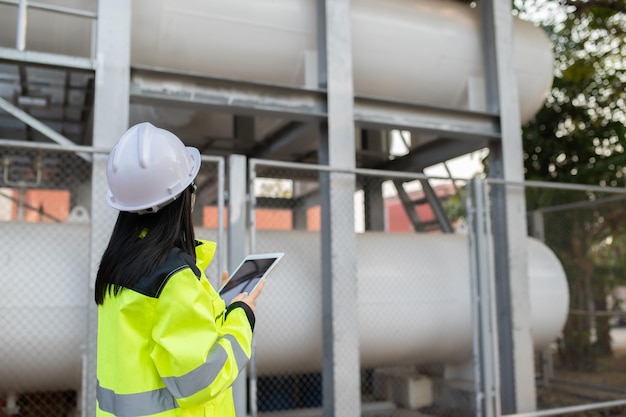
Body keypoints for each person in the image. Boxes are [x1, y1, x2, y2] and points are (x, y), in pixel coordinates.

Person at [94, 122, 264, 417]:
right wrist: (242, 316)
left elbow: (152, 336)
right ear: (184, 199)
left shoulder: (119, 266)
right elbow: (199, 382)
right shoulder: (172, 277)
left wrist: (217, 305)